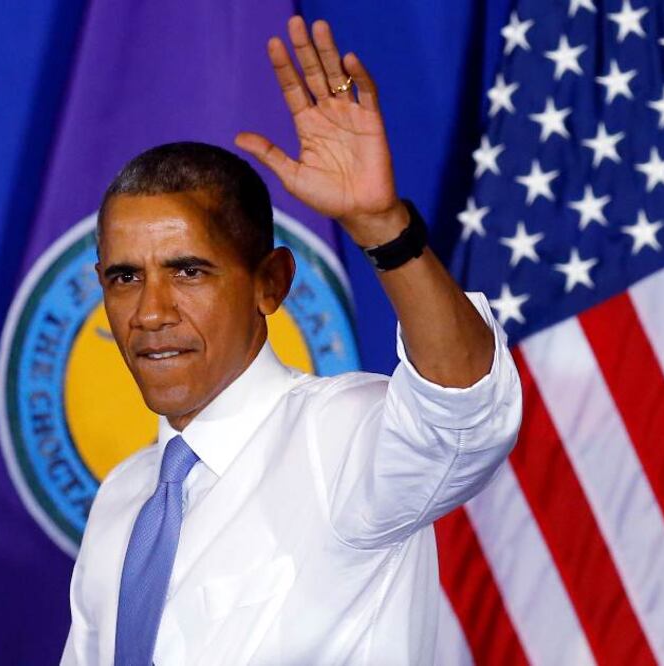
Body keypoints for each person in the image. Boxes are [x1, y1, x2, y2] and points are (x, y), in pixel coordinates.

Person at [61, 16, 521, 666]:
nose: (150, 311)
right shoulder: (122, 500)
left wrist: (381, 227)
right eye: (124, 277)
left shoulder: (341, 438)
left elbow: (462, 408)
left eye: (188, 271)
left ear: (270, 283)